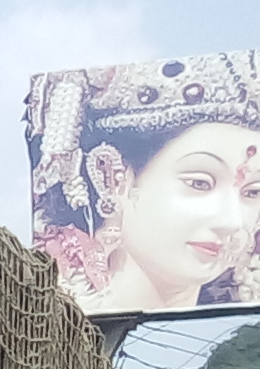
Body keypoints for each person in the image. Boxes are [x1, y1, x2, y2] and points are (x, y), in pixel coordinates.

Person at [28, 54, 260, 315]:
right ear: (111, 178)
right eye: (200, 183)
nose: (232, 222)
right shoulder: (34, 318)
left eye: (253, 192)